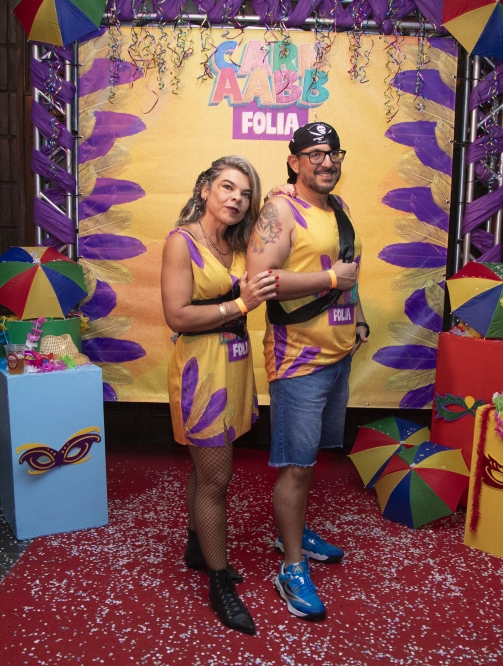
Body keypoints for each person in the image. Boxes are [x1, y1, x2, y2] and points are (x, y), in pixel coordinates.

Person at [246, 122, 368, 622]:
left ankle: (289, 533)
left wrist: (359, 316)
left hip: (338, 354)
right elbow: (259, 280)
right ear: (294, 161)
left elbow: (349, 272)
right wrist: (331, 278)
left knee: (310, 456)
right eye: (315, 153)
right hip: (298, 361)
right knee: (295, 465)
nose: (327, 162)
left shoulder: (338, 208)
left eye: (333, 152)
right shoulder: (278, 210)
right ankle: (291, 565)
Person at [161, 155, 278, 634]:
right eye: (228, 187)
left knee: (204, 466)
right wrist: (240, 304)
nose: (237, 198)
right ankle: (219, 581)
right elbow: (177, 316)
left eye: (245, 193)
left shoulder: (239, 242)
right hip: (201, 372)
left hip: (235, 366)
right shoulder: (181, 241)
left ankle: (196, 545)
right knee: (216, 479)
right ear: (205, 188)